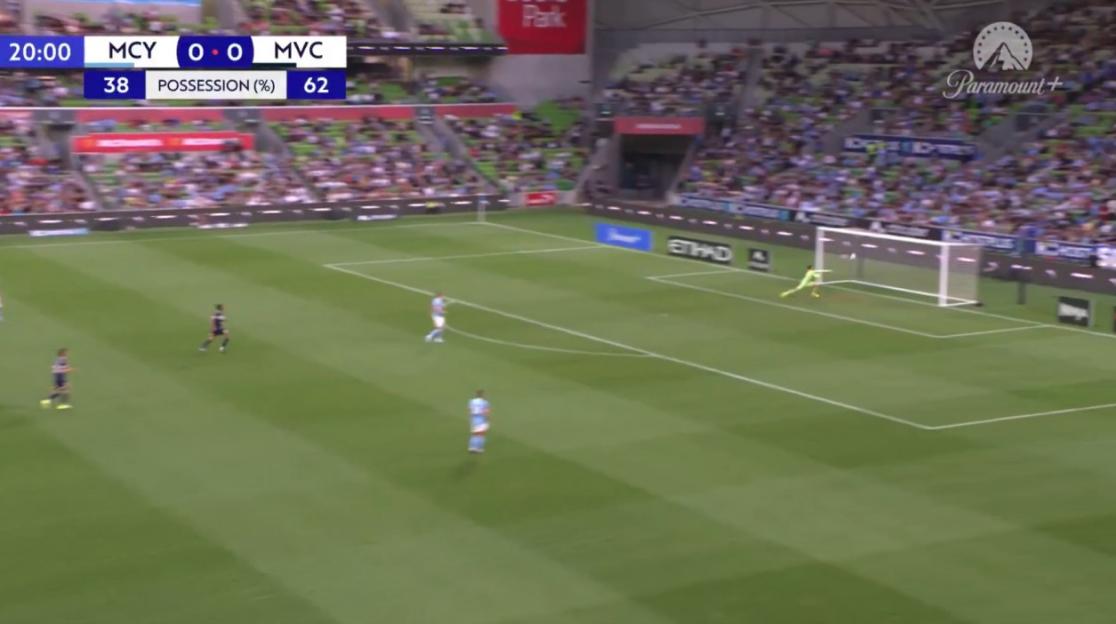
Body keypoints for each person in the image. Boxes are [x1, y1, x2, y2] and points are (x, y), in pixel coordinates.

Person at [468, 389, 490, 454]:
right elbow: (486, 412)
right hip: (481, 419)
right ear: (482, 395)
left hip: (474, 419)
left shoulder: (471, 401)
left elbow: (470, 410)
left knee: (474, 434)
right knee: (481, 434)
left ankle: (472, 447)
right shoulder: (485, 402)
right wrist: (487, 419)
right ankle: (479, 448)